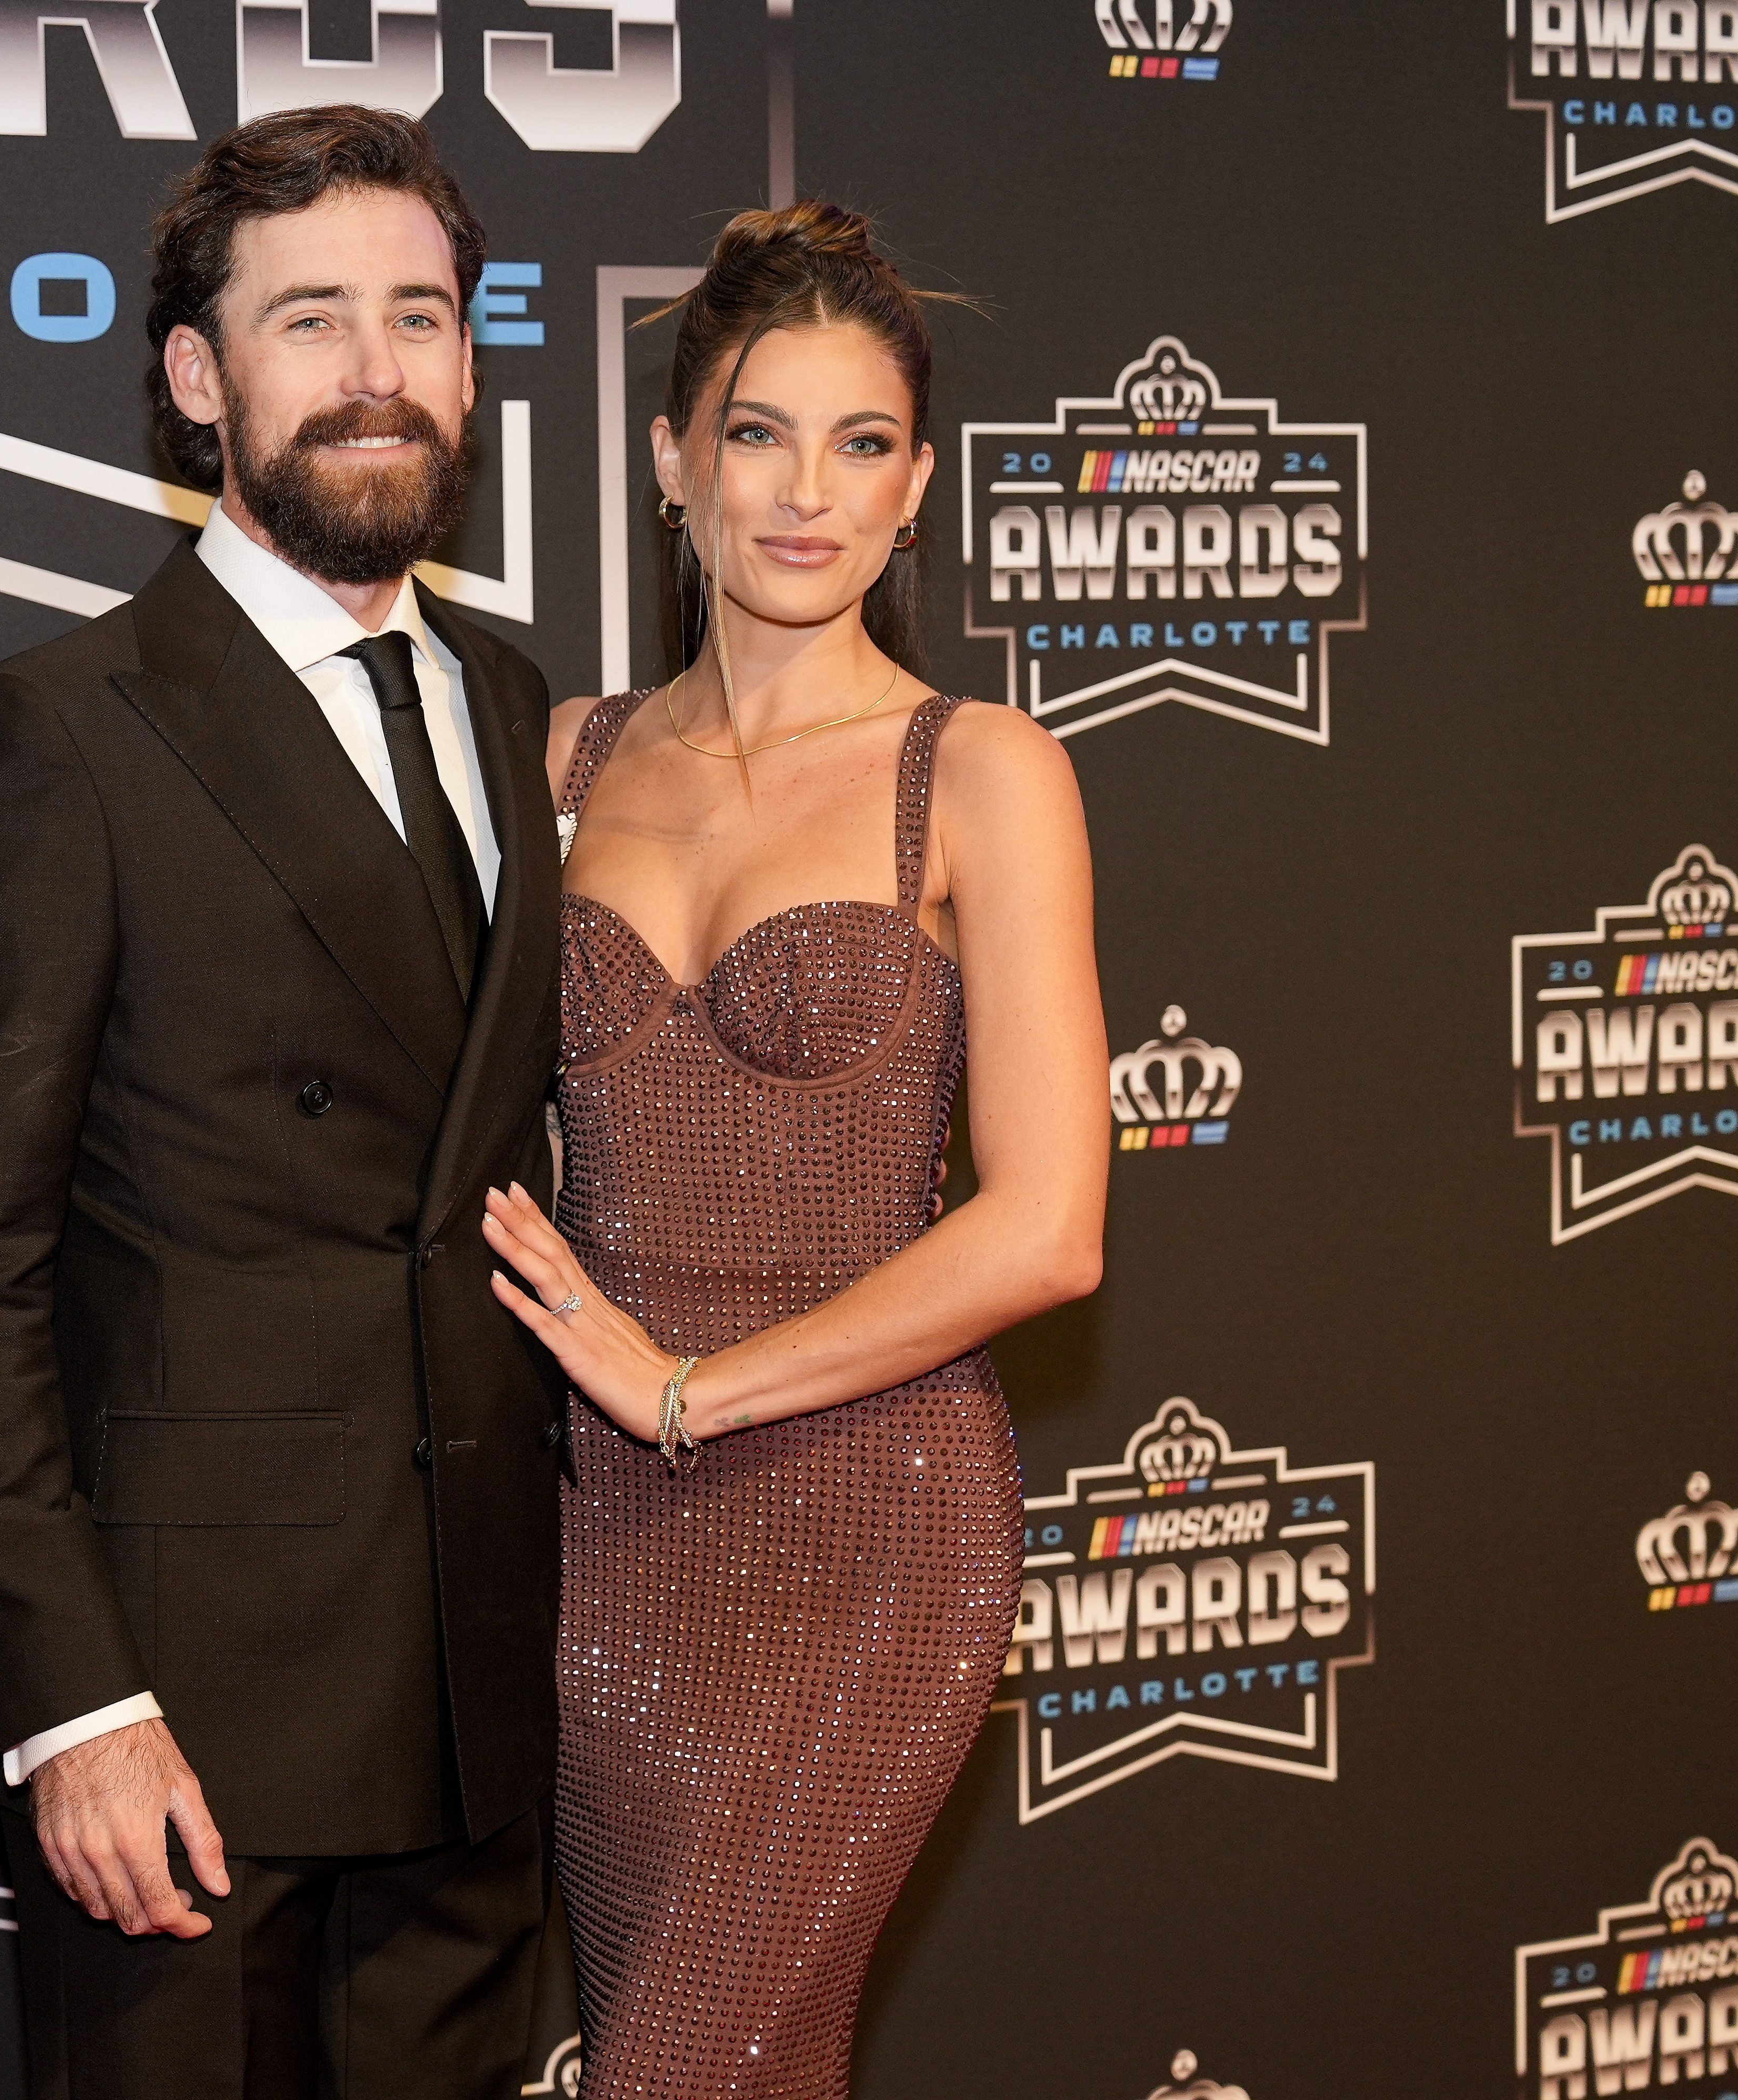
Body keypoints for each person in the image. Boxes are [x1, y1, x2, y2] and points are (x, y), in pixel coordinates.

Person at [0, 108, 563, 2100]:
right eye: (312, 319)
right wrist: (74, 1702)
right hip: (190, 1739)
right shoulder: (54, 740)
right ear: (199, 378)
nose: (376, 372)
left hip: (470, 1705)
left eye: (420, 318)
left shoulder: (515, 709)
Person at [476, 201, 1111, 2096]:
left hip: (872, 1529)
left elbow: (1052, 1228)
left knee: (680, 2064)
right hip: (604, 1547)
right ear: (671, 463)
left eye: (861, 446)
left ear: (918, 490)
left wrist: (692, 1390)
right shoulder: (563, 763)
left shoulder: (979, 770)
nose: (806, 496)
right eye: (758, 435)